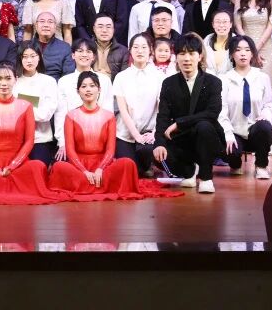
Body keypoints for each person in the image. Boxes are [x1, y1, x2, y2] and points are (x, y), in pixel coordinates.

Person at [49, 72, 180, 200]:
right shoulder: (71, 116)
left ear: (99, 89)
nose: (88, 90)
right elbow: (70, 151)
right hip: (79, 168)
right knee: (58, 167)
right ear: (78, 91)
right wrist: (85, 172)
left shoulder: (109, 116)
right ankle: (98, 185)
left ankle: (85, 186)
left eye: (92, 86)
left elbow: (110, 150)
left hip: (103, 167)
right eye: (84, 86)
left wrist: (100, 169)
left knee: (128, 164)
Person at [0, 63, 65, 204]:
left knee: (37, 167)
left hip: (19, 164)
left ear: (15, 80)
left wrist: (12, 166)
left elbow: (29, 141)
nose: (4, 83)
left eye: (8, 78)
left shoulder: (26, 106)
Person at [154, 34, 224, 194]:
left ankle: (206, 177)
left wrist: (180, 123)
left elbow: (212, 113)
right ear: (176, 57)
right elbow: (163, 116)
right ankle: (190, 170)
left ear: (200, 56)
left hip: (208, 138)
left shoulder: (213, 82)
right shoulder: (169, 83)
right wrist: (159, 143)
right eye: (182, 54)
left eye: (191, 53)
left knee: (204, 126)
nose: (187, 59)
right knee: (158, 155)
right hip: (181, 140)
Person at [220, 35, 272, 179]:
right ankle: (235, 164)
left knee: (264, 127)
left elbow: (269, 103)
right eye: (238, 50)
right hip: (234, 131)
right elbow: (222, 110)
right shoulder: (224, 79)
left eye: (247, 50)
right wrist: (228, 133)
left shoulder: (262, 77)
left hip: (255, 130)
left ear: (252, 54)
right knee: (230, 149)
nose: (243, 54)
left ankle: (261, 165)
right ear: (232, 54)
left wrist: (265, 115)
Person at [54, 39, 113, 162]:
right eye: (80, 51)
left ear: (94, 56)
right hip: (71, 136)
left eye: (88, 51)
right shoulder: (64, 81)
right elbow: (60, 114)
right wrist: (62, 143)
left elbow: (108, 112)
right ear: (73, 55)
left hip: (99, 137)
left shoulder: (104, 80)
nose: (84, 54)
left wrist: (107, 146)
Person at [112, 33, 163, 175]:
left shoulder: (159, 77)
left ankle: (148, 164)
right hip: (125, 133)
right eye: (135, 47)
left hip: (149, 132)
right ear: (130, 50)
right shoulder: (121, 77)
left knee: (146, 152)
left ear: (150, 50)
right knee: (129, 169)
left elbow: (161, 109)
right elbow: (123, 111)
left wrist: (155, 133)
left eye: (144, 47)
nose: (139, 51)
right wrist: (136, 135)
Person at [13, 42, 59, 166]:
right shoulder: (14, 81)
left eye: (33, 56)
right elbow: (10, 113)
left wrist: (22, 110)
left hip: (41, 139)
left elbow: (45, 115)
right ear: (20, 59)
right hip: (17, 139)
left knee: (38, 170)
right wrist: (32, 110)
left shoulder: (48, 82)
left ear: (39, 57)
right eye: (25, 57)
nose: (29, 60)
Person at [201, 9, 236, 75]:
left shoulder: (237, 42)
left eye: (225, 22)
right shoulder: (207, 40)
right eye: (218, 22)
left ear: (231, 24)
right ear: (213, 24)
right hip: (209, 79)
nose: (221, 25)